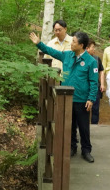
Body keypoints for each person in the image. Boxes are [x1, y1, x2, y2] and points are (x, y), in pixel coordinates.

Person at [30, 31, 98, 163]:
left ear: (81, 45)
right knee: (70, 125)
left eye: (73, 42)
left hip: (82, 99)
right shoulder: (67, 55)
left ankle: (86, 150)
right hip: (66, 98)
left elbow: (94, 82)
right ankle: (72, 147)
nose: (71, 43)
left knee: (83, 126)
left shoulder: (90, 61)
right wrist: (39, 44)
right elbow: (51, 51)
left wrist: (91, 99)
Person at [86, 40, 105, 124]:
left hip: (95, 86)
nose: (94, 49)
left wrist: (102, 84)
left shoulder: (97, 59)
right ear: (87, 48)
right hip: (85, 87)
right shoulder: (81, 59)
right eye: (93, 47)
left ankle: (94, 125)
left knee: (95, 107)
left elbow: (101, 71)